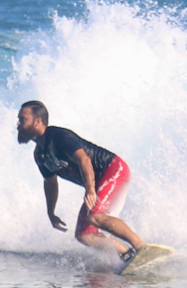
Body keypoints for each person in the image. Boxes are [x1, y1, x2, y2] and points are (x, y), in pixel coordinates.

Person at [15, 100, 147, 265]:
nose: (18, 123)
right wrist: (51, 213)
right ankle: (127, 255)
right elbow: (50, 183)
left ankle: (141, 248)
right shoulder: (40, 155)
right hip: (99, 183)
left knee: (95, 216)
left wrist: (90, 191)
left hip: (114, 169)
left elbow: (84, 160)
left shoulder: (59, 136)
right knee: (84, 235)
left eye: (22, 119)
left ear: (37, 121)